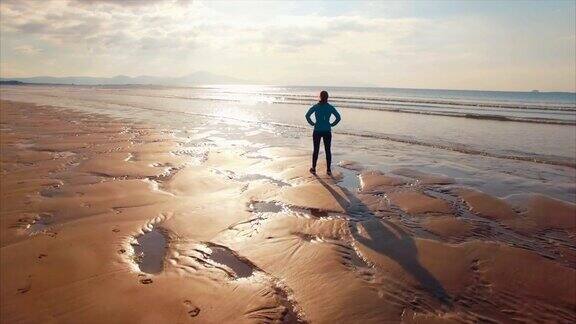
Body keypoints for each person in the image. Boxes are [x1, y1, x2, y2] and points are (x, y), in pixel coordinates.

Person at [305, 90, 341, 176]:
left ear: (320, 97)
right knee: (327, 150)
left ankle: (313, 168)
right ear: (327, 97)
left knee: (316, 150)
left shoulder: (316, 107)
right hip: (327, 131)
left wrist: (312, 123)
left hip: (317, 130)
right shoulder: (330, 107)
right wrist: (332, 124)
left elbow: (307, 115)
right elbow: (338, 117)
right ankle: (328, 170)